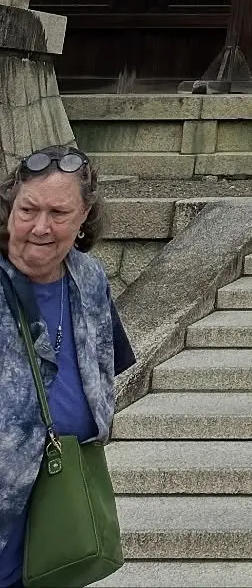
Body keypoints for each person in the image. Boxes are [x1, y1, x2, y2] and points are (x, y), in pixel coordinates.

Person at [1, 146, 135, 588]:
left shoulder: (89, 278)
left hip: (58, 499)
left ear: (84, 220)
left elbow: (103, 372)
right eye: (27, 209)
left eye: (59, 212)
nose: (40, 227)